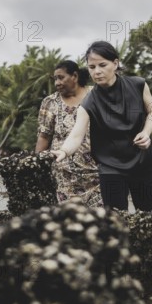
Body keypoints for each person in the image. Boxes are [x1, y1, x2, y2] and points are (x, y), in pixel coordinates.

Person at [52, 41, 152, 211]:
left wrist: (146, 133)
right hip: (111, 168)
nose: (97, 71)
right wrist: (63, 151)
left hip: (143, 163)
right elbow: (76, 135)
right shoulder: (89, 102)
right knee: (115, 220)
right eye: (92, 67)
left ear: (115, 63)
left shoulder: (138, 85)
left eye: (102, 65)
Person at [35, 60, 100, 207]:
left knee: (99, 220)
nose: (57, 83)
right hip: (63, 174)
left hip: (96, 173)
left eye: (61, 77)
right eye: (55, 79)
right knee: (68, 220)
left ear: (75, 76)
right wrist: (37, 167)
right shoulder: (49, 102)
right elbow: (44, 136)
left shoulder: (96, 95)